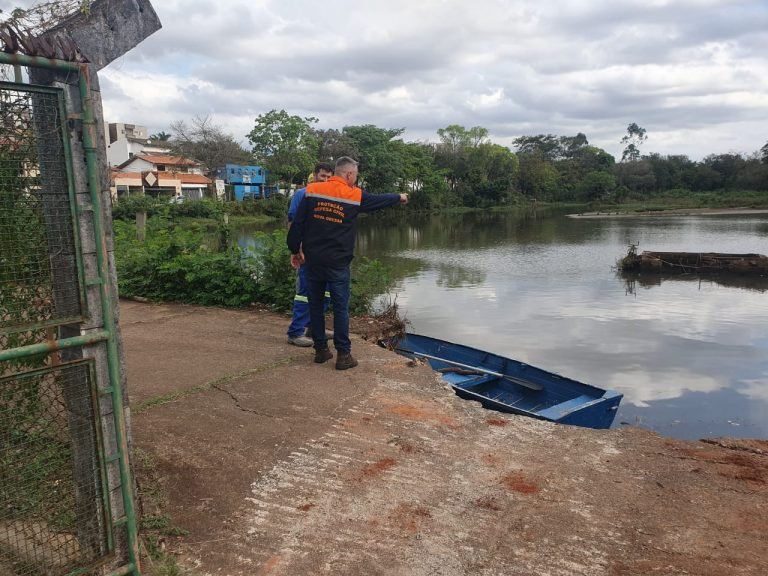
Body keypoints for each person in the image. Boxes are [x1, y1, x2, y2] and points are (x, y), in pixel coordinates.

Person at [287, 156, 408, 370]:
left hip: (313, 259)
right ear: (349, 174)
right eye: (355, 176)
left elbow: (297, 224)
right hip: (338, 262)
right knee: (341, 308)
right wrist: (399, 197)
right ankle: (343, 355)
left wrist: (295, 250)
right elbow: (379, 200)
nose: (355, 179)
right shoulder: (354, 195)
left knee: (315, 305)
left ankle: (321, 351)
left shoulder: (312, 191)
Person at [286, 162, 334, 346]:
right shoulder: (302, 194)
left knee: (326, 293)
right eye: (323, 176)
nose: (326, 180)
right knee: (305, 293)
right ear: (314, 176)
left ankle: (315, 329)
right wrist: (296, 249)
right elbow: (292, 222)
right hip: (307, 252)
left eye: (330, 177)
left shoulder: (331, 196)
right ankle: (295, 332)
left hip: (327, 253)